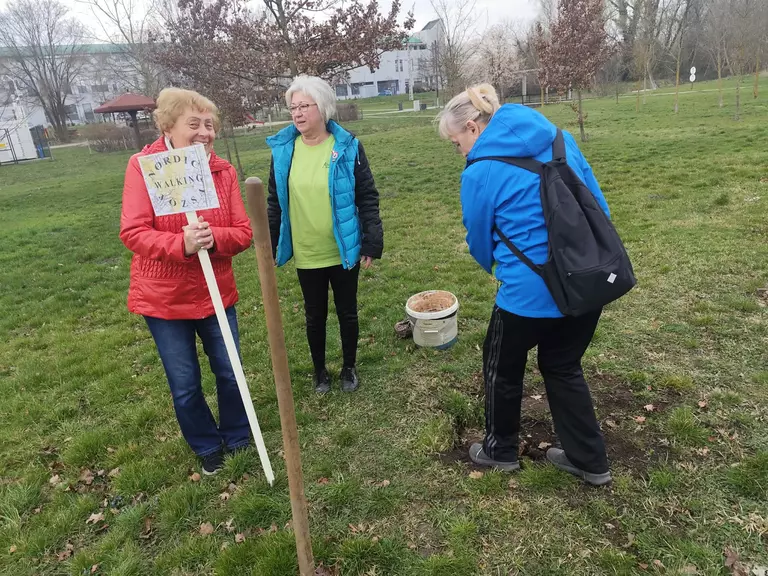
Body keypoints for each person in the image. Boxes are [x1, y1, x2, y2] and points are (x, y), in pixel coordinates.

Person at [437, 84, 613, 486]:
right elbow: (597, 206)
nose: (459, 151)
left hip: (526, 294)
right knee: (563, 365)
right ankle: (590, 461)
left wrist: (500, 269)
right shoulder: (561, 140)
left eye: (456, 142)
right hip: (585, 283)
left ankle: (500, 451)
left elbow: (479, 240)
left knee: (501, 367)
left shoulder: (480, 171)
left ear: (473, 127)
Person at [119, 88, 253, 476]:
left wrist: (213, 237)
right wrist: (182, 244)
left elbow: (242, 232)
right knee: (185, 382)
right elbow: (133, 232)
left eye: (209, 125)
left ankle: (238, 436)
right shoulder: (144, 167)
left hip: (216, 292)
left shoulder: (223, 172)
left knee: (230, 371)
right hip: (164, 298)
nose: (204, 133)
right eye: (193, 124)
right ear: (168, 126)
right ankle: (207, 445)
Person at [267, 75, 383, 394]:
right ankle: (320, 372)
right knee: (314, 316)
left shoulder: (347, 147)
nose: (297, 113)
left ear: (323, 107)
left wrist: (372, 241)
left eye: (304, 106)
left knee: (347, 312)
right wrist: (270, 243)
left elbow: (366, 196)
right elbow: (275, 202)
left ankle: (349, 368)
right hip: (307, 251)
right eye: (293, 107)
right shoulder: (284, 151)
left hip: (343, 248)